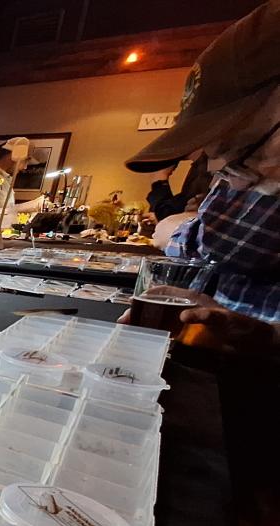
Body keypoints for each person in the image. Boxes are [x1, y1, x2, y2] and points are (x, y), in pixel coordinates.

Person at [125, 1, 280, 324]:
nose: (229, 181)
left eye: (237, 150)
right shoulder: (249, 177)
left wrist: (268, 345)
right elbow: (204, 245)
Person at [0, 137, 47, 228]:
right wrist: (32, 206)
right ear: (12, 156)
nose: (25, 167)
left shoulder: (0, 178)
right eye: (25, 160)